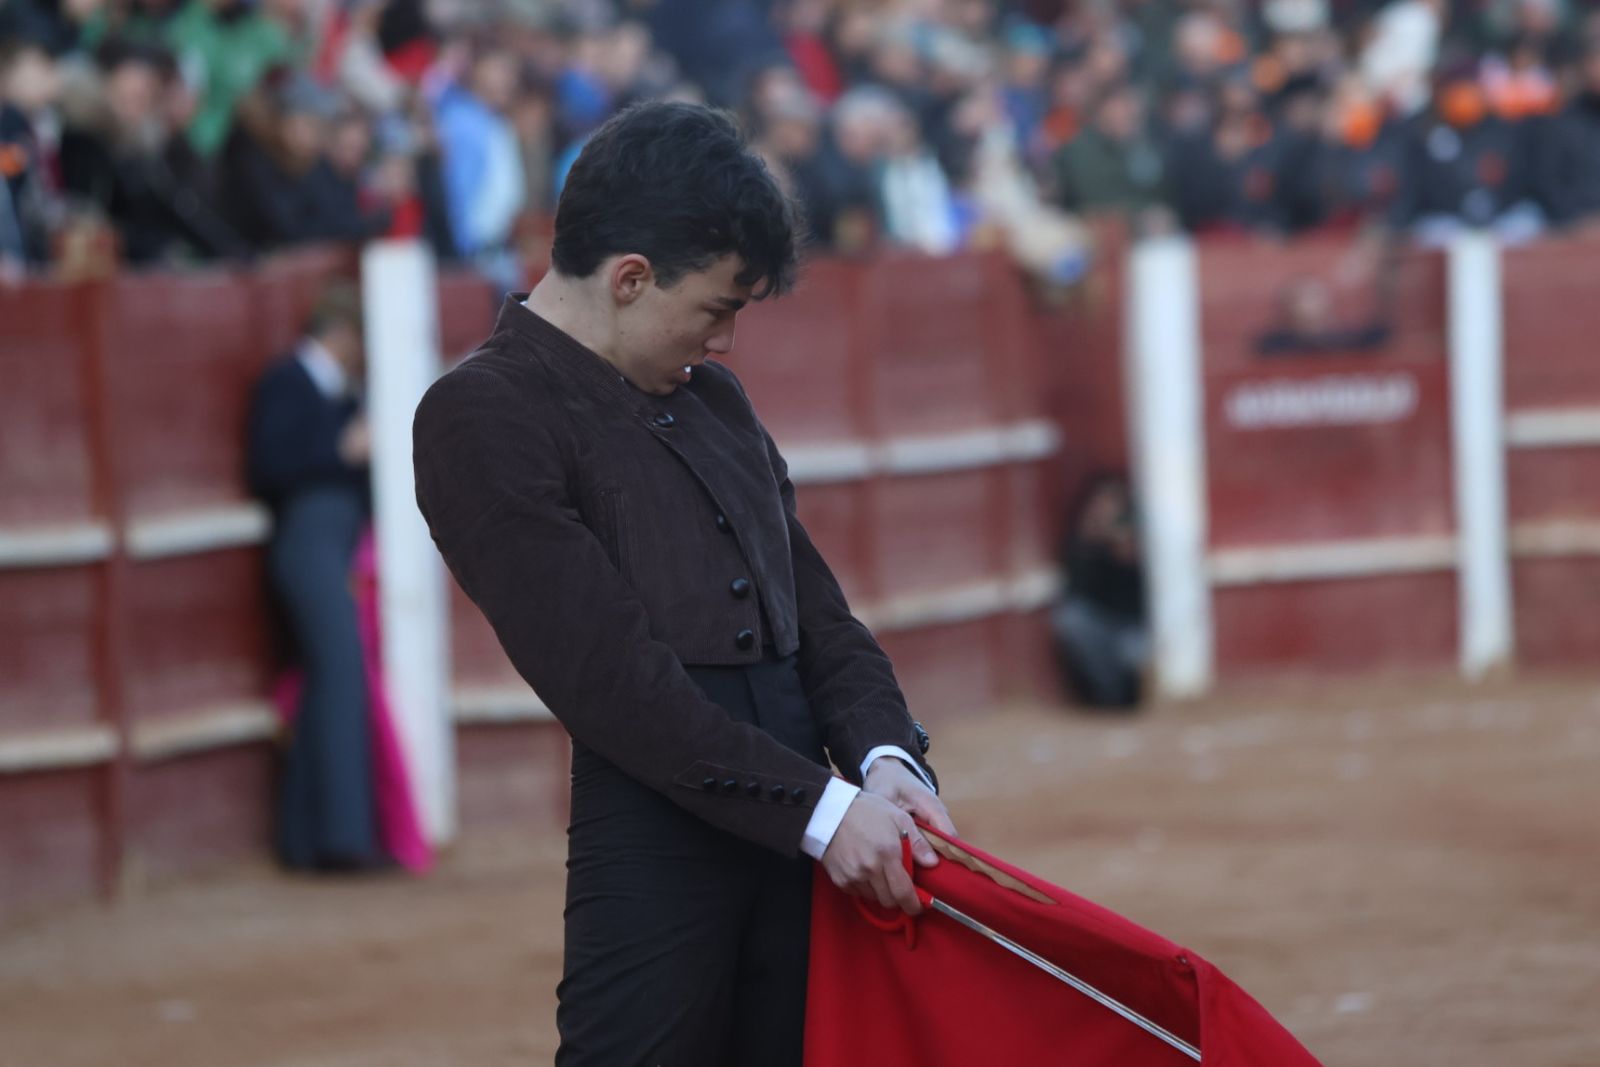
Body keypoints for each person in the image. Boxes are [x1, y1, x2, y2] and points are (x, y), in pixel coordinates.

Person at [411, 101, 953, 1065]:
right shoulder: (481, 414)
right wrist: (822, 811)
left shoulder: (713, 401)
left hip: (805, 837)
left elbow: (819, 615)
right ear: (630, 278)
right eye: (717, 308)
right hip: (664, 841)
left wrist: (886, 760)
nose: (727, 342)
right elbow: (609, 680)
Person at [247, 283, 381, 872]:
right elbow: (268, 467)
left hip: (331, 543)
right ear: (344, 335)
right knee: (341, 672)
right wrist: (341, 450)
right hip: (305, 542)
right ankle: (343, 840)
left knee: (329, 679)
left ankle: (308, 841)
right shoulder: (287, 381)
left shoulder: (336, 392)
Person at [1051, 474, 1147, 710]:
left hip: (1137, 630)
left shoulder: (1142, 539)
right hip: (1106, 629)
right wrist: (1095, 549)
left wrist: (1131, 558)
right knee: (1071, 621)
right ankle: (1110, 700)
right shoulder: (1084, 544)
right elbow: (1076, 592)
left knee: (1136, 650)